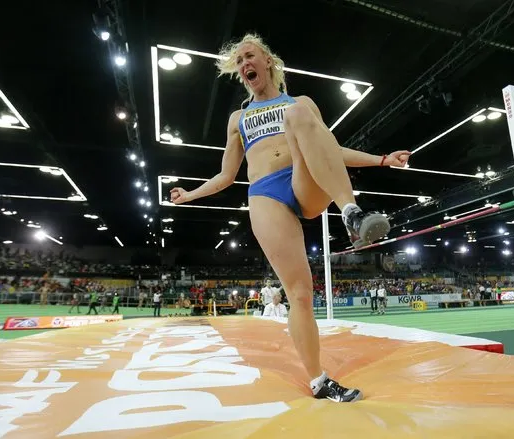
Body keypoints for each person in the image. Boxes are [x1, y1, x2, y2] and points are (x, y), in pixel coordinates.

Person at [170, 33, 410, 403]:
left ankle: (351, 213)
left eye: (250, 56)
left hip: (303, 178)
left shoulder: (299, 103)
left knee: (299, 112)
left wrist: (381, 159)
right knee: (299, 294)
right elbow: (226, 176)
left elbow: (330, 150)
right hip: (266, 193)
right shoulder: (238, 118)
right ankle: (319, 381)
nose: (244, 64)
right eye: (239, 62)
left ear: (268, 61)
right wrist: (190, 194)